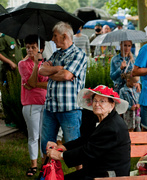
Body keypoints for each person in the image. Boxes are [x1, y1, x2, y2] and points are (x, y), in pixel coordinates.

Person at [46, 85, 130, 179]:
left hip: (110, 174)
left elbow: (88, 152)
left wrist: (60, 155)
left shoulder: (112, 126)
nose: (97, 104)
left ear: (112, 105)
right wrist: (63, 147)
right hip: (98, 169)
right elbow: (85, 139)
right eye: (95, 100)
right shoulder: (100, 119)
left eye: (102, 101)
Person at [39, 22, 87, 160]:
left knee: (74, 146)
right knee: (45, 145)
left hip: (70, 109)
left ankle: (80, 173)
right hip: (51, 108)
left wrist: (55, 72)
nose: (53, 39)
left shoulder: (79, 54)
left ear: (65, 36)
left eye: (55, 36)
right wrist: (59, 68)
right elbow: (42, 70)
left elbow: (67, 75)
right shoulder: (56, 54)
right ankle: (47, 173)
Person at [18, 35, 48, 177]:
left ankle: (44, 163)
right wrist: (36, 65)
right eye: (28, 47)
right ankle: (33, 165)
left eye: (33, 47)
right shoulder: (23, 64)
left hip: (44, 102)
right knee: (33, 135)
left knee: (44, 135)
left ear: (40, 49)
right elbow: (30, 82)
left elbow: (48, 83)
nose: (30, 50)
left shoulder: (46, 64)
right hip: (30, 104)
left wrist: (35, 84)